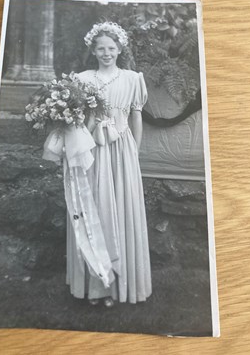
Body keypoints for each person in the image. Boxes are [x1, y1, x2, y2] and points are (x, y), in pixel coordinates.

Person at [66, 22, 152, 306]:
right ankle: (97, 285)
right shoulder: (81, 78)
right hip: (91, 150)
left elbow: (136, 117)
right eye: (100, 48)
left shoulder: (131, 79)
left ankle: (120, 287)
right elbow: (76, 121)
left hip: (122, 149)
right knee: (94, 209)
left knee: (121, 209)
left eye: (111, 48)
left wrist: (134, 153)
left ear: (120, 49)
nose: (106, 53)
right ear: (93, 50)